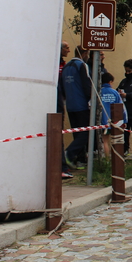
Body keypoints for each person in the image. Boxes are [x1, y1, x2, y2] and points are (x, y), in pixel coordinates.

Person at [62, 46, 91, 169]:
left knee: (76, 132)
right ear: (84, 53)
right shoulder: (82, 65)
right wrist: (91, 100)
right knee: (85, 133)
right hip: (81, 104)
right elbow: (86, 85)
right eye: (88, 54)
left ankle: (79, 160)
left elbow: (62, 86)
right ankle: (69, 153)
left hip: (70, 105)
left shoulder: (66, 67)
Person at [58, 41, 73, 179]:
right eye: (66, 48)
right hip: (55, 102)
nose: (69, 50)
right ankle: (62, 165)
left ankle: (63, 165)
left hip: (62, 101)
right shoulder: (55, 64)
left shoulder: (65, 64)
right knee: (57, 134)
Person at [99, 72, 123, 158]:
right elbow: (121, 107)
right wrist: (124, 120)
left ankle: (105, 159)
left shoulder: (99, 92)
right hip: (114, 121)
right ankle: (110, 159)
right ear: (110, 82)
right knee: (114, 140)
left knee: (104, 141)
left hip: (101, 120)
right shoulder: (115, 93)